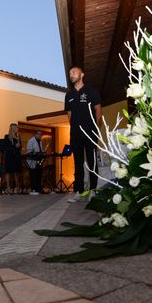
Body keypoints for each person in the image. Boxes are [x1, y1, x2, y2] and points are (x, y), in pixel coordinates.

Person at [65, 66, 102, 202]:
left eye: (74, 72)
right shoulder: (68, 95)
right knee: (78, 163)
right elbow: (70, 116)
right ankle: (79, 191)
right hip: (75, 134)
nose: (71, 74)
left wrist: (95, 128)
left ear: (82, 74)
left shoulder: (91, 91)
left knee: (92, 162)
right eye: (70, 73)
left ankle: (93, 190)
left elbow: (98, 110)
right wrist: (75, 128)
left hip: (90, 133)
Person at [3, 123, 22, 192]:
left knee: (16, 172)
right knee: (8, 171)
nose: (17, 129)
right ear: (13, 128)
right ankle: (8, 187)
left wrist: (20, 146)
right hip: (9, 156)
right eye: (16, 128)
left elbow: (20, 147)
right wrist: (15, 146)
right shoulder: (7, 137)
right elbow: (6, 147)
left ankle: (17, 187)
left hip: (17, 156)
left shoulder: (18, 136)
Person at [25, 130, 44, 195]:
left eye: (41, 134)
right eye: (39, 134)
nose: (40, 136)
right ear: (35, 134)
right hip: (32, 160)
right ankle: (33, 189)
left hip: (38, 159)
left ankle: (38, 188)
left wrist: (42, 152)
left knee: (39, 173)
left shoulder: (40, 141)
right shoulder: (31, 141)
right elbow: (29, 150)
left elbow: (40, 149)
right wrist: (36, 152)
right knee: (33, 174)